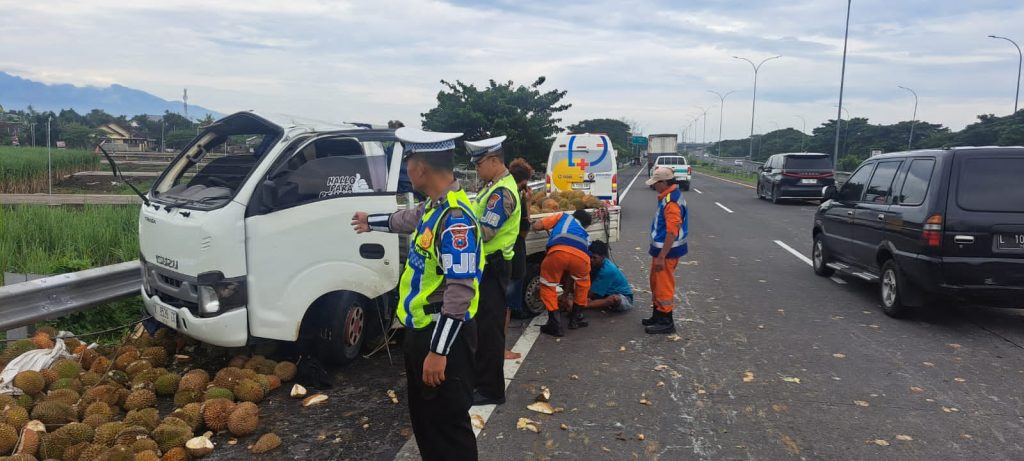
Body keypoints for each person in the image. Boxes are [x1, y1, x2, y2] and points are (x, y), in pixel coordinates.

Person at [351, 127, 481, 461]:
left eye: (408, 161)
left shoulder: (455, 221)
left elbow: (460, 291)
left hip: (443, 336)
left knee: (447, 426)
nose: (407, 168)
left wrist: (438, 351)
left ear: (419, 168)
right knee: (427, 422)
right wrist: (371, 222)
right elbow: (408, 219)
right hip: (423, 330)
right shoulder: (435, 207)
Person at [465, 135, 521, 406]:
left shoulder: (502, 193)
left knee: (489, 330)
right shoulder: (493, 187)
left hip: (493, 267)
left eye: (479, 162)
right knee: (481, 327)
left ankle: (491, 390)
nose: (476, 167)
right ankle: (482, 383)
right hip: (487, 267)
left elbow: (486, 231)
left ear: (494, 160)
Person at [531, 208, 593, 337]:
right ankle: (575, 320)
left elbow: (538, 225)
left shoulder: (563, 217)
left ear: (574, 215)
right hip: (581, 257)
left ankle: (555, 325)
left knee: (548, 285)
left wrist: (534, 224)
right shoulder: (586, 235)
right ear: (585, 225)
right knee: (583, 285)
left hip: (558, 252)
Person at [642, 166, 688, 334]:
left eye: (655, 183)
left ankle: (666, 322)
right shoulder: (667, 196)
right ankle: (657, 315)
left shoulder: (671, 202)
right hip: (661, 251)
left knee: (663, 286)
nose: (653, 186)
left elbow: (672, 231)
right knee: (655, 282)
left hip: (667, 253)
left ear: (664, 182)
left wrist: (662, 257)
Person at [505, 157, 535, 359]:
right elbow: (524, 231)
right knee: (505, 307)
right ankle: (501, 349)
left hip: (499, 254)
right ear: (524, 181)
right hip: (514, 254)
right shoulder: (518, 198)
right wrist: (528, 203)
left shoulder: (501, 191)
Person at [586, 240, 634, 312]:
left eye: (594, 258)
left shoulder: (607, 270)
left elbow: (590, 293)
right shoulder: (598, 263)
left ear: (602, 257)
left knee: (613, 299)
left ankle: (582, 306)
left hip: (624, 298)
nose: (591, 260)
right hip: (606, 293)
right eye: (590, 257)